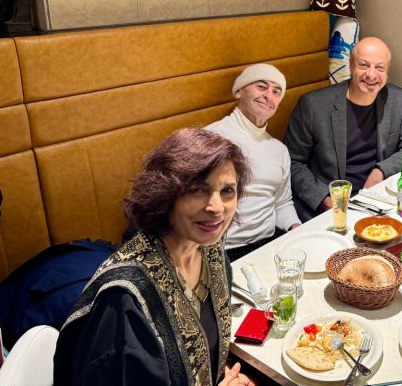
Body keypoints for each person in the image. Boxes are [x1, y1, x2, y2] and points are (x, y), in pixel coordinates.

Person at [54, 128, 255, 386]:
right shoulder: (126, 299)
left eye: (227, 191)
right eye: (197, 190)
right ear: (166, 194)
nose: (217, 208)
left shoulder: (209, 249)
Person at [284, 36, 402, 221]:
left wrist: (380, 171)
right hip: (330, 207)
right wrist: (327, 200)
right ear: (351, 66)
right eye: (363, 65)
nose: (371, 75)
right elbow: (293, 162)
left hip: (378, 201)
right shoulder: (313, 105)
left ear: (387, 72)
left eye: (379, 67)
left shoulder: (396, 98)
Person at [206, 64, 301, 262]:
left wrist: (296, 229)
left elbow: (282, 202)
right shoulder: (211, 139)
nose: (269, 96)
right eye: (261, 87)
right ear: (238, 91)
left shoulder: (279, 150)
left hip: (270, 243)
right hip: (223, 251)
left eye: (276, 92)